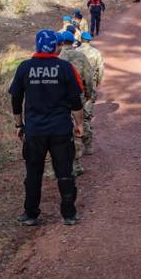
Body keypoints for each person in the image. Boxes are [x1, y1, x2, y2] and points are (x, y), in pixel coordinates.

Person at [10, 29, 84, 226]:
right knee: (65, 173)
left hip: (34, 131)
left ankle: (30, 214)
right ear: (55, 46)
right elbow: (76, 100)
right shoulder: (66, 68)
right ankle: (69, 214)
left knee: (33, 173)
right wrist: (79, 124)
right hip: (60, 130)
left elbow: (16, 99)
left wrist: (19, 124)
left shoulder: (24, 68)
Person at [59, 30, 95, 176]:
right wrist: (88, 94)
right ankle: (77, 163)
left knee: (64, 129)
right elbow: (89, 77)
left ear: (61, 43)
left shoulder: (57, 57)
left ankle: (60, 165)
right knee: (79, 125)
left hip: (60, 99)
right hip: (77, 96)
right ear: (73, 42)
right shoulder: (80, 56)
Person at [77, 32, 103, 155]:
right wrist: (97, 83)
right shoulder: (96, 53)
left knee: (74, 117)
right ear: (89, 41)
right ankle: (88, 146)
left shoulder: (76, 51)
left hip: (75, 87)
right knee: (86, 117)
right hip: (89, 85)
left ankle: (76, 148)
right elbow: (101, 69)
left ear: (81, 40)